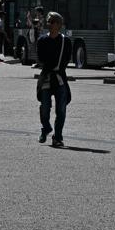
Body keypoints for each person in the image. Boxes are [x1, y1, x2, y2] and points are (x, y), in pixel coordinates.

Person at [36, 11, 72, 148]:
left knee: (61, 110)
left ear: (58, 24)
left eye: (51, 22)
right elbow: (40, 59)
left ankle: (57, 137)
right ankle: (45, 128)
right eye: (48, 22)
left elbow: (67, 59)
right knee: (45, 107)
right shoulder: (42, 40)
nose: (48, 24)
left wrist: (55, 66)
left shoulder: (65, 41)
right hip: (46, 77)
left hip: (59, 78)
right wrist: (49, 65)